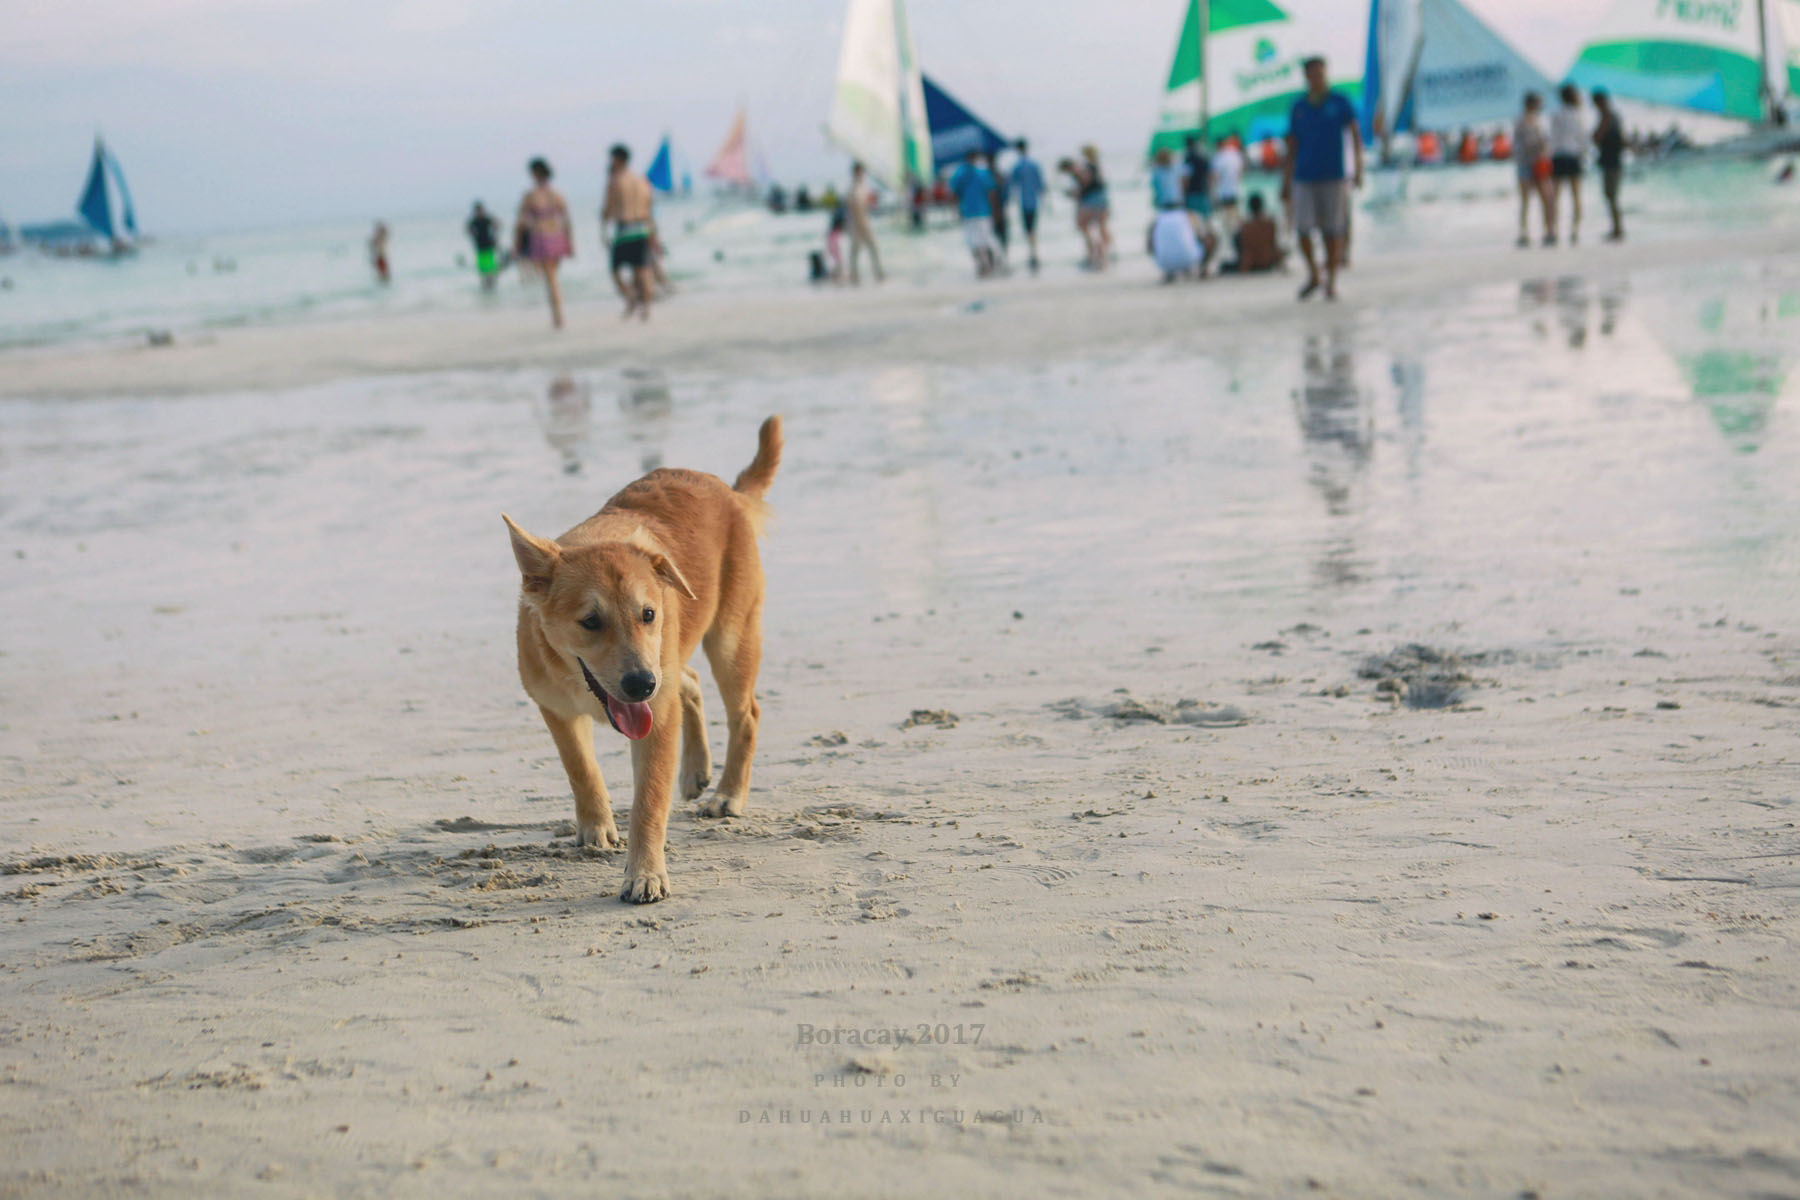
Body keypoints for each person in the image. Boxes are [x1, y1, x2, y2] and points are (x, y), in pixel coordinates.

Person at [1282, 56, 1361, 301]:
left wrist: (1358, 168)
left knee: (1333, 230)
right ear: (1306, 76)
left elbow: (1355, 136)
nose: (1316, 77)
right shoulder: (1299, 106)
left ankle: (1331, 282)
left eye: (1320, 72)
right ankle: (1314, 274)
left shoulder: (1339, 102)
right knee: (1302, 229)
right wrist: (1285, 180)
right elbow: (1292, 145)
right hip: (1303, 176)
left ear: (1325, 73)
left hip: (1333, 175)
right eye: (1312, 73)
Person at [516, 158, 572, 327]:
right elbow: (566, 220)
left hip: (541, 237)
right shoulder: (558, 195)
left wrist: (517, 243)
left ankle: (557, 316)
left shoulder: (530, 196)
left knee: (550, 280)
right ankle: (558, 313)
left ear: (536, 173)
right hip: (558, 236)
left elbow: (521, 222)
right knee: (553, 278)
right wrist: (570, 242)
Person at [602, 143, 655, 320]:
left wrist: (602, 231)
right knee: (642, 270)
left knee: (615, 270)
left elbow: (607, 209)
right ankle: (646, 308)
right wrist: (654, 234)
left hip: (624, 229)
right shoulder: (642, 180)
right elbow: (649, 208)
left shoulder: (615, 180)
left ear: (618, 159)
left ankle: (631, 297)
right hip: (642, 227)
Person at [949, 149, 999, 276]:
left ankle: (982, 266)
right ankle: (988, 265)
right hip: (983, 211)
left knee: (974, 242)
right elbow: (991, 193)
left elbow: (954, 194)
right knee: (986, 240)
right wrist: (994, 211)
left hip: (968, 212)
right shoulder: (982, 173)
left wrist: (955, 210)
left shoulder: (960, 173)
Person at [1514, 92, 1553, 246]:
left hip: (1536, 163)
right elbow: (1530, 143)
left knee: (1543, 199)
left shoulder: (1536, 121)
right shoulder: (1523, 121)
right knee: (1528, 200)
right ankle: (1526, 232)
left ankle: (1546, 230)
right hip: (1528, 163)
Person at [1548, 83, 1586, 244]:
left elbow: (1553, 139)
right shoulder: (1578, 115)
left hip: (1558, 157)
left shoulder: (1556, 115)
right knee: (1576, 197)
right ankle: (1574, 231)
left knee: (1555, 197)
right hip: (1574, 156)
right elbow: (1584, 140)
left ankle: (1554, 231)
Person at [1592, 88, 1625, 242]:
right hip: (1611, 161)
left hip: (1612, 161)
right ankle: (1616, 228)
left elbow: (1597, 137)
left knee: (1611, 196)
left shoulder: (1608, 117)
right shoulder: (1611, 117)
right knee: (1611, 196)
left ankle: (1618, 229)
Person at [1008, 139, 1046, 273]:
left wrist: (1009, 202)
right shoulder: (1034, 165)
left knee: (1028, 230)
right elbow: (1041, 185)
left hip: (1024, 203)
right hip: (1034, 202)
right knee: (1032, 229)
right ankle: (1034, 254)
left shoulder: (1017, 166)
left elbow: (1012, 185)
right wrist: (1046, 203)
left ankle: (1033, 255)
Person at [1223, 193, 1284, 274]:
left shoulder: (1246, 226)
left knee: (1224, 265)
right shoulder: (1270, 224)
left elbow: (1243, 246)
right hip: (1267, 261)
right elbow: (1273, 245)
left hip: (1250, 263)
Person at [845, 161, 884, 284]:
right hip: (858, 224)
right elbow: (855, 207)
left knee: (865, 250)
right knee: (859, 251)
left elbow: (865, 204)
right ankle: (858, 277)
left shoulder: (861, 186)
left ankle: (875, 274)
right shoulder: (854, 188)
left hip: (861, 223)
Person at [1076, 145, 1112, 268]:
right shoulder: (1098, 166)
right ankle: (1104, 254)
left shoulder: (1089, 167)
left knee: (1083, 225)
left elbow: (1086, 181)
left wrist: (1078, 191)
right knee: (1102, 228)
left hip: (1091, 200)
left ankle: (1094, 252)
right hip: (1102, 200)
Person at [1212, 133, 1245, 234]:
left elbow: (1215, 177)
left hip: (1224, 191)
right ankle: (1241, 235)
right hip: (1236, 189)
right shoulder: (1234, 153)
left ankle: (1231, 237)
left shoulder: (1218, 157)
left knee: (1227, 218)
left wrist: (1213, 192)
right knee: (1237, 215)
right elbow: (1241, 170)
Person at [466, 202, 500, 291]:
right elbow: (468, 230)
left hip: (489, 245)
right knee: (482, 269)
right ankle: (484, 286)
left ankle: (491, 284)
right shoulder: (474, 221)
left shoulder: (486, 219)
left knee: (491, 268)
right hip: (480, 247)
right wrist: (474, 236)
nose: (479, 212)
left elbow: (497, 225)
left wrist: (495, 238)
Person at [1182, 135, 1212, 223]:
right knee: (1206, 220)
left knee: (1193, 221)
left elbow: (1185, 179)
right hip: (1203, 191)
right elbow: (1209, 176)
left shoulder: (1188, 159)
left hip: (1192, 193)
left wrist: (1183, 194)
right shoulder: (1202, 158)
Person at [986, 150, 1010, 260]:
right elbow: (1006, 195)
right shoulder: (1001, 175)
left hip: (990, 212)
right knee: (1002, 237)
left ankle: (995, 261)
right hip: (1000, 211)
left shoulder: (985, 175)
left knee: (990, 238)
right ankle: (1003, 259)